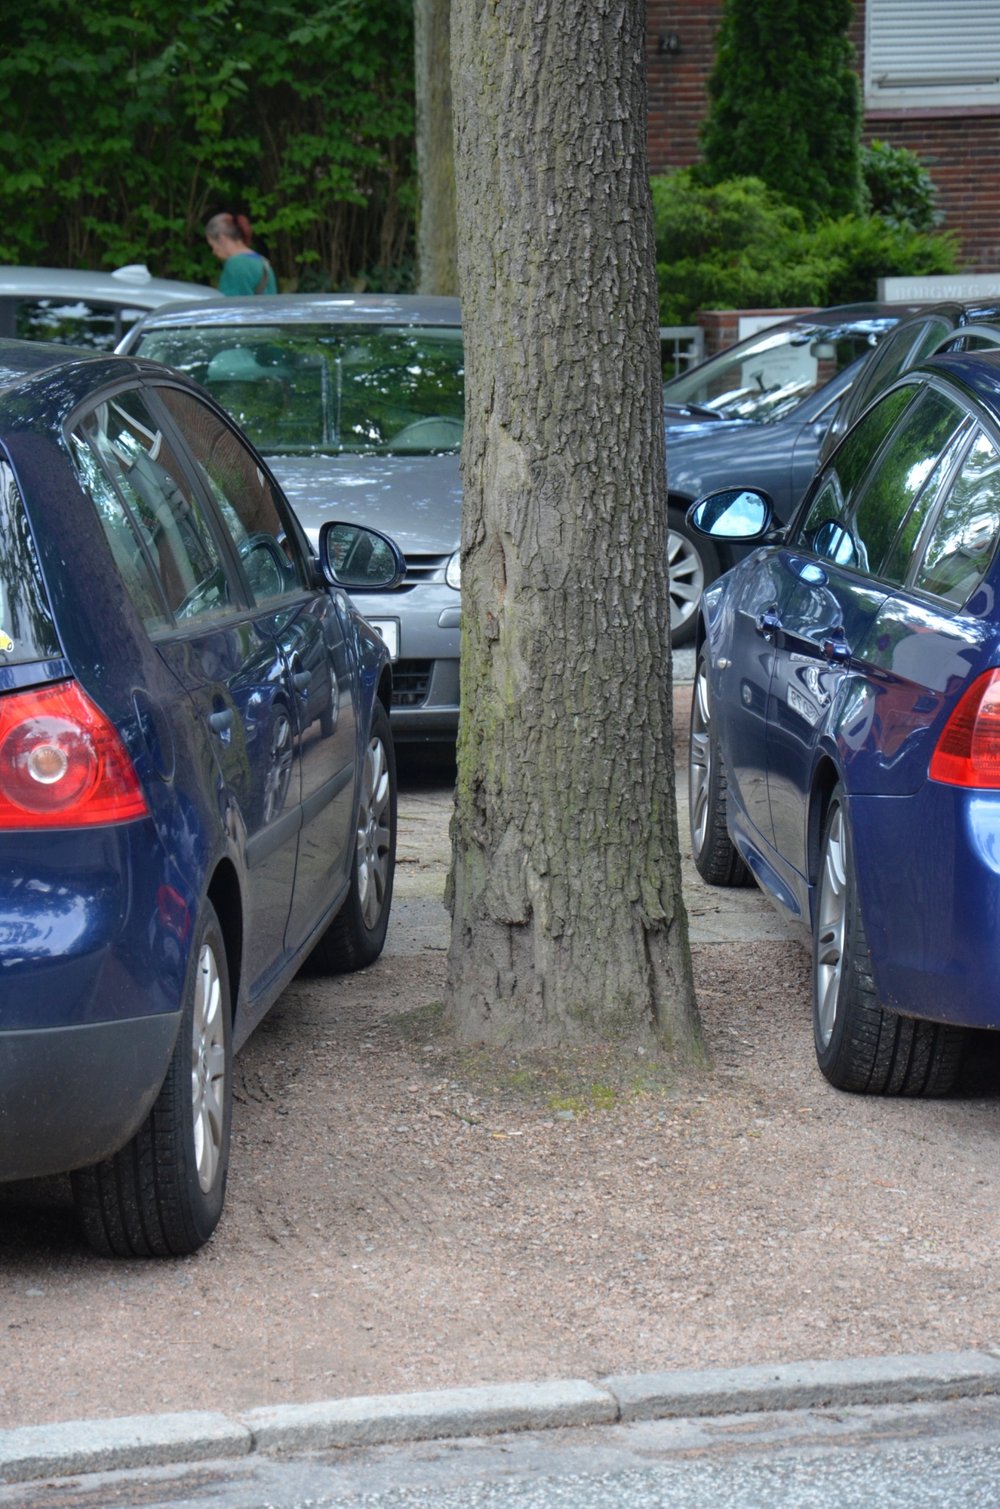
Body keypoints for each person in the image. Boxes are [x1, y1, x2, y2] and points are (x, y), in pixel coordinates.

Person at [204, 212, 277, 296]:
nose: (213, 252)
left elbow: (231, 302)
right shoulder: (263, 262)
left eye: (212, 245)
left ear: (222, 239)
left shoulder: (235, 265)